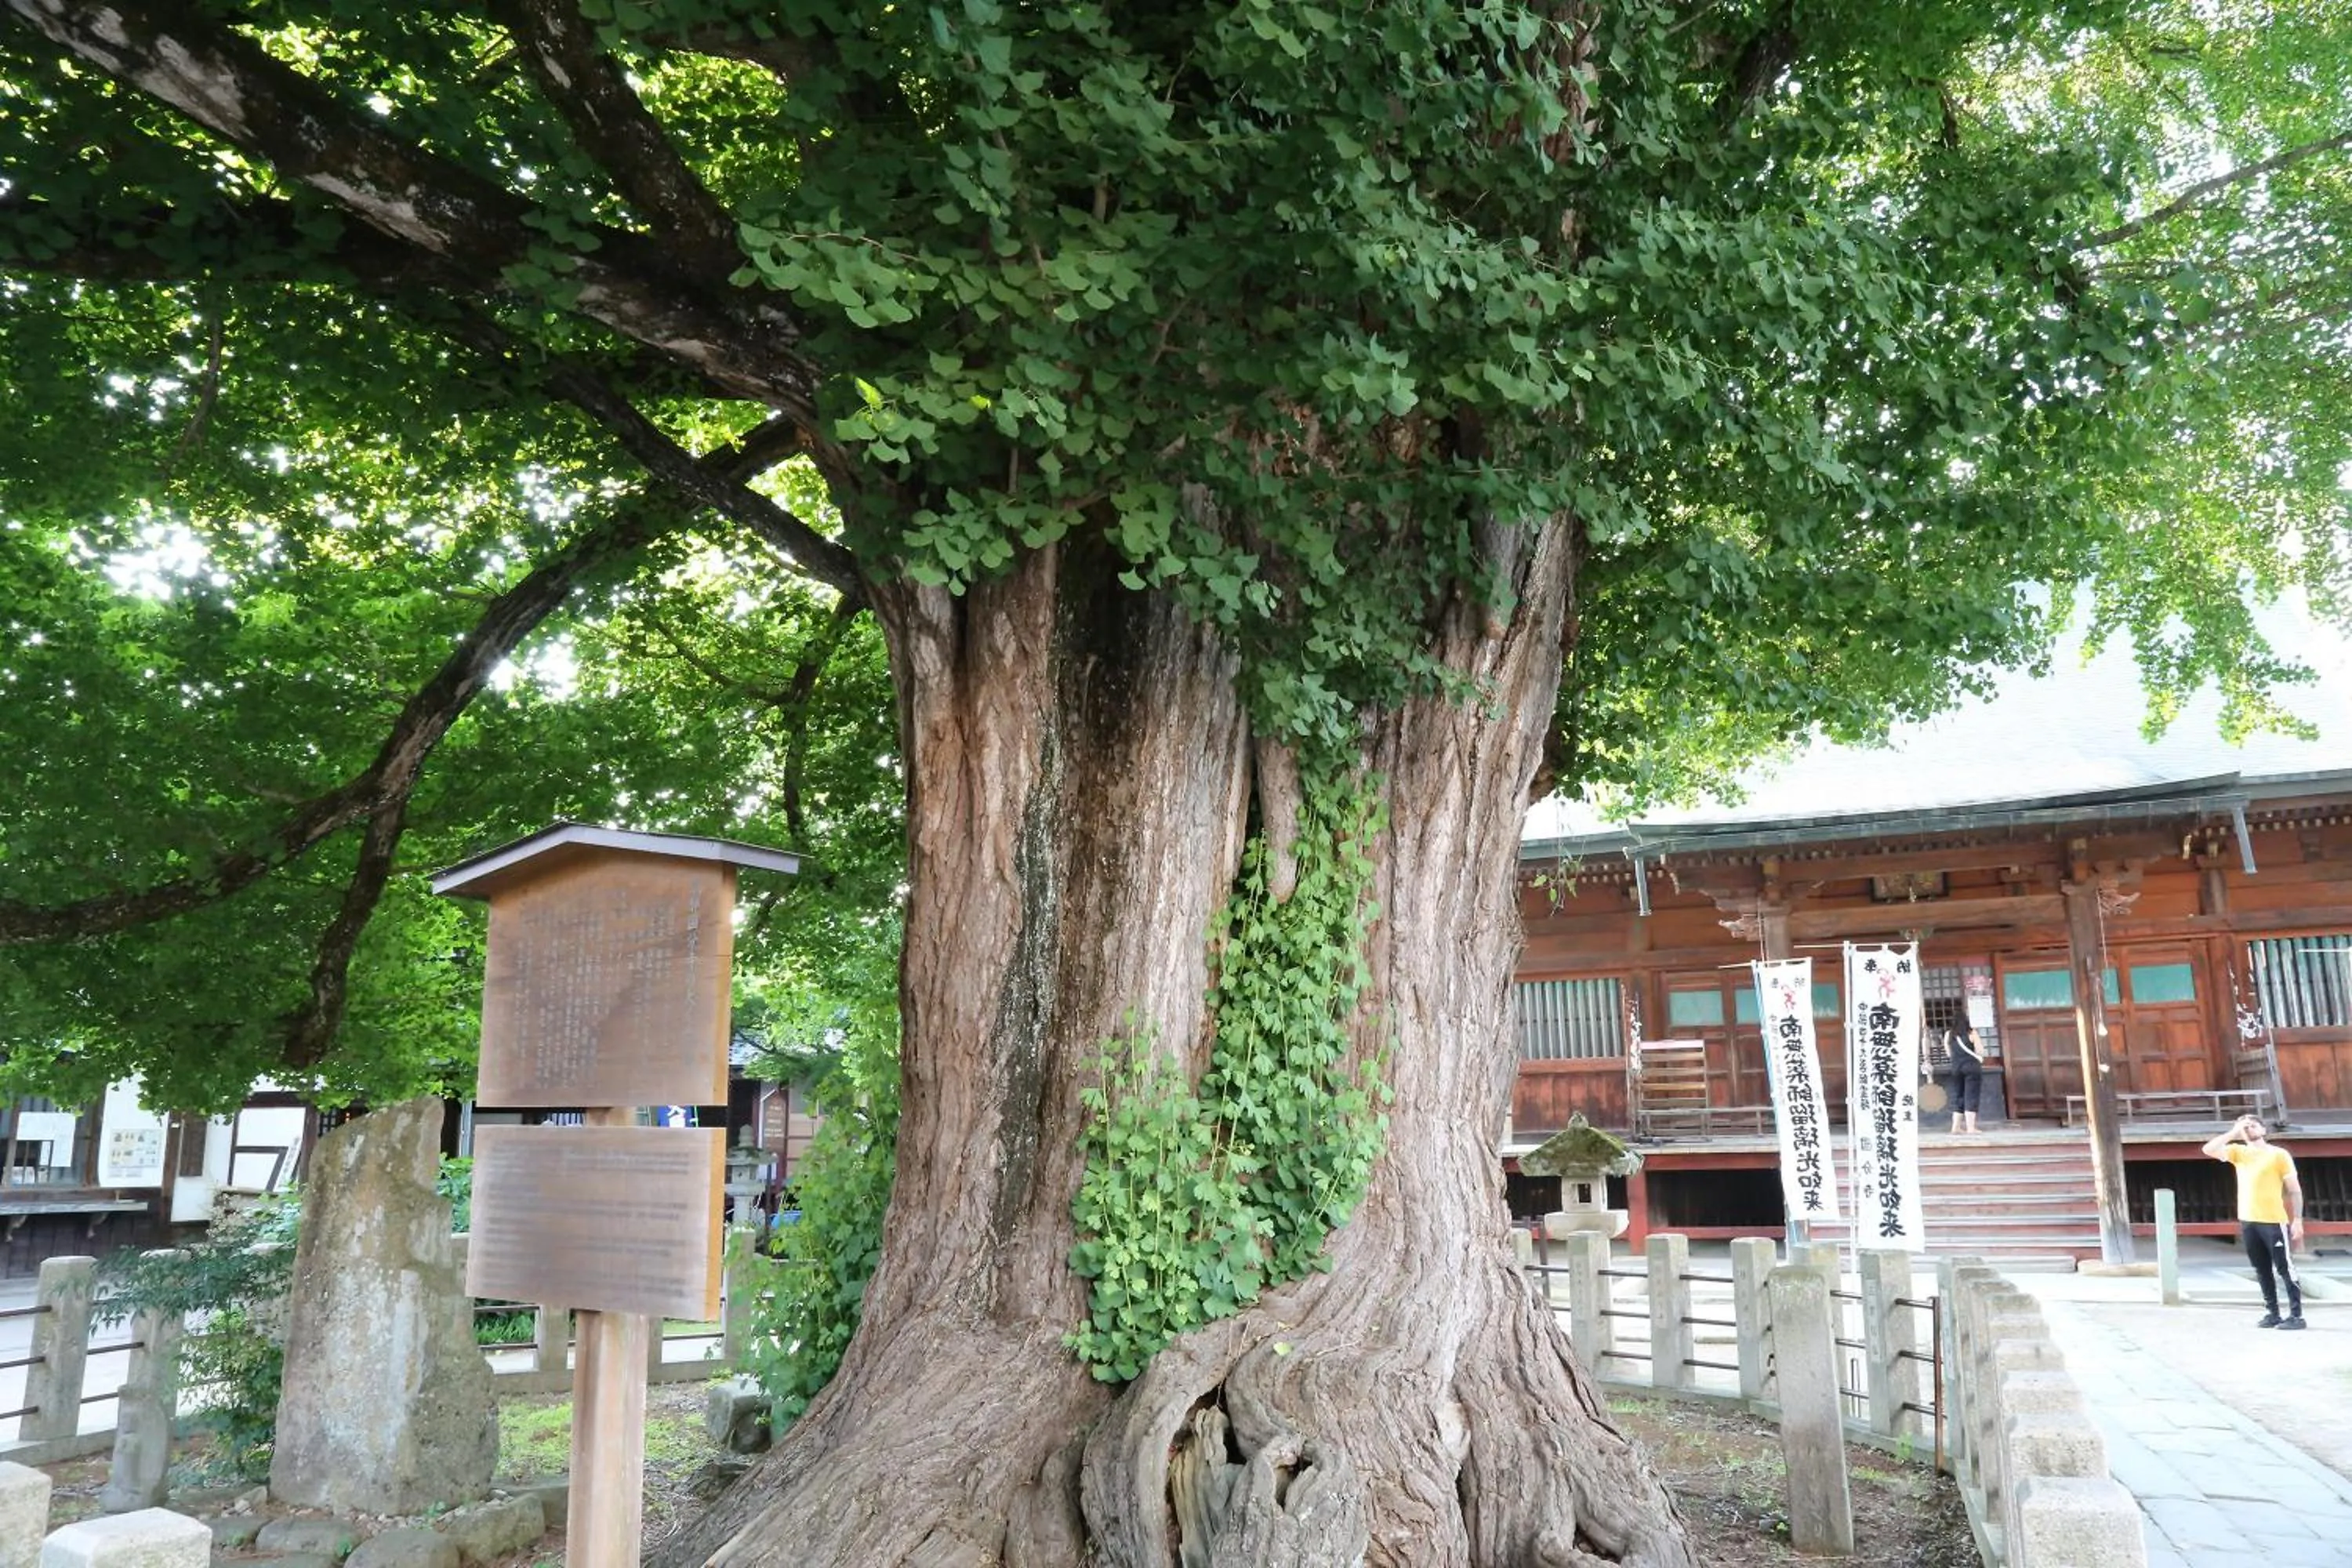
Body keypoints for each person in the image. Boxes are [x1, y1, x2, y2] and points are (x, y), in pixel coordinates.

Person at [2203, 1113, 2306, 1330]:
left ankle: (2296, 1315)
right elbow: (2208, 1149)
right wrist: (2233, 1132)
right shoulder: (2238, 1152)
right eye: (2246, 1126)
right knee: (2261, 1269)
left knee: (2285, 1268)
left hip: (2273, 1220)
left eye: (2253, 1125)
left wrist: (2297, 1219)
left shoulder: (2279, 1155)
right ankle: (2272, 1312)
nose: (2249, 1129)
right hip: (2249, 1219)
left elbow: (2294, 1190)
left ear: (2264, 1130)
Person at [1946, 1022, 1987, 1136]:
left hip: (1956, 1068)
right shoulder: (1972, 1033)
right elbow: (1980, 1051)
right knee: (1971, 1096)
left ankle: (1956, 1127)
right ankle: (1971, 1128)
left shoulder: (1949, 1034)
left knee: (1958, 1096)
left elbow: (1949, 1053)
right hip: (1971, 1067)